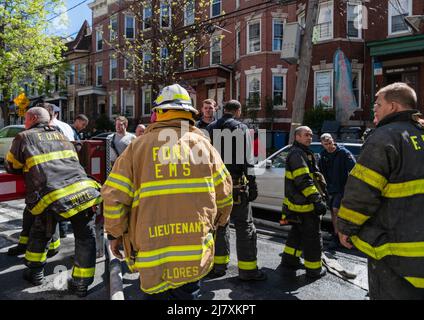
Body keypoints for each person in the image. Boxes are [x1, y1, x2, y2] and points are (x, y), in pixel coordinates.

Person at [102, 84, 233, 300]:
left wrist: (115, 234)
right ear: (189, 114)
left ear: (158, 113)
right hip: (193, 253)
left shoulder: (137, 147)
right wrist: (215, 224)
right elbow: (225, 195)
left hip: (151, 252)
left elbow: (114, 197)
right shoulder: (204, 146)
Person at [337, 82, 424, 300]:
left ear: (393, 106)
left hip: (395, 252)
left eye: (377, 103)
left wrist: (346, 227)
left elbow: (362, 190)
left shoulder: (384, 137)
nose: (374, 108)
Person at [5, 107, 102, 297]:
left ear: (32, 118)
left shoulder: (24, 137)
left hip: (51, 194)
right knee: (85, 237)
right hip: (83, 191)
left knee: (41, 232)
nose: (24, 122)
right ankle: (81, 284)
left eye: (25, 119)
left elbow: (12, 166)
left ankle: (35, 273)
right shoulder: (61, 135)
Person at [206, 100, 266, 281]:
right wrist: (253, 184)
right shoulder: (241, 128)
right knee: (244, 226)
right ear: (238, 111)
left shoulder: (209, 128)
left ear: (224, 110)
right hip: (236, 186)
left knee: (219, 225)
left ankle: (218, 266)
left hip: (215, 187)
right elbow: (248, 159)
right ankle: (248, 271)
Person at [280, 126, 328, 278]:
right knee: (313, 237)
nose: (310, 137)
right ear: (297, 137)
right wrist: (317, 199)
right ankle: (314, 269)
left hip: (298, 203)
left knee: (298, 232)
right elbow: (304, 180)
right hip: (305, 205)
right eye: (306, 135)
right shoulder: (297, 154)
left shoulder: (303, 152)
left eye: (311, 135)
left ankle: (289, 260)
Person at [318, 133, 356, 249]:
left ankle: (339, 237)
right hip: (329, 189)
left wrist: (350, 187)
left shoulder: (343, 153)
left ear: (333, 140)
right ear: (322, 144)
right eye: (326, 144)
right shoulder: (323, 155)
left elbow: (354, 169)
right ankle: (337, 235)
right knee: (334, 213)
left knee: (335, 211)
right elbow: (320, 173)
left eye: (330, 143)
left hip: (342, 189)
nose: (329, 146)